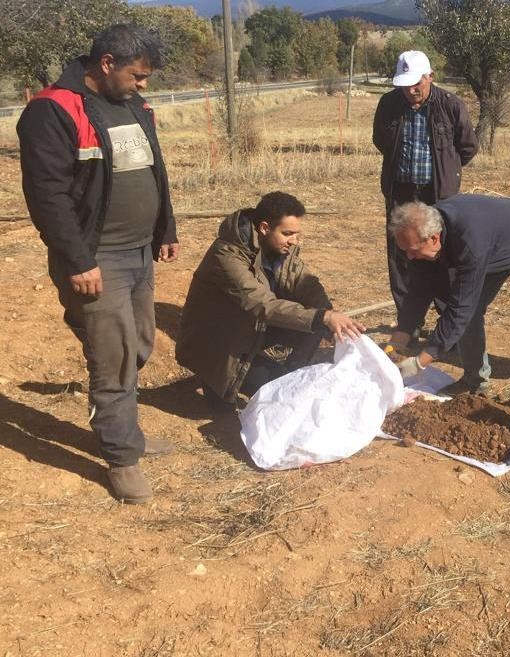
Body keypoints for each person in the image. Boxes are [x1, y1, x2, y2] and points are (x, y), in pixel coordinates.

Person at [17, 24, 179, 504]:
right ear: (106, 63)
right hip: (95, 259)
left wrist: (164, 227)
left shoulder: (131, 105)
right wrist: (79, 259)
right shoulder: (52, 110)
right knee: (113, 358)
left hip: (138, 253)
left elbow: (154, 167)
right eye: (138, 74)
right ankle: (122, 455)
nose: (143, 84)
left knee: (141, 342)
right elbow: (46, 197)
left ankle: (122, 426)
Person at [385, 196, 510, 422]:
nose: (409, 256)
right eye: (405, 250)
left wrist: (420, 361)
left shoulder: (469, 241)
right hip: (495, 250)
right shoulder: (420, 237)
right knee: (471, 316)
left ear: (434, 238)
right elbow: (417, 293)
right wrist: (395, 345)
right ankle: (474, 382)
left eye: (412, 250)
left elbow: (460, 306)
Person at [177, 192, 364, 411]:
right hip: (218, 342)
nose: (294, 241)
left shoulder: (280, 251)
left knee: (291, 377)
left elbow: (307, 284)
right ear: (264, 228)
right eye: (288, 233)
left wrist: (328, 315)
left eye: (296, 233)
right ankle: (214, 380)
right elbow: (261, 304)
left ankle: (288, 373)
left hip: (251, 330)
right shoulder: (227, 256)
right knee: (253, 400)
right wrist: (323, 317)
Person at [372, 50, 478, 333]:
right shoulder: (389, 104)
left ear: (430, 76)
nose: (411, 89)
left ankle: (448, 324)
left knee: (443, 253)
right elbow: (381, 141)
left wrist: (446, 173)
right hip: (401, 193)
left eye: (416, 82)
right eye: (405, 84)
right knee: (403, 255)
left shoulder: (450, 105)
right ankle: (409, 324)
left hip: (439, 195)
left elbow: (467, 147)